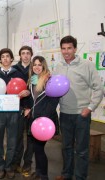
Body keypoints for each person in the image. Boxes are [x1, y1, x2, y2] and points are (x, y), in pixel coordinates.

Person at [54, 35, 103, 180]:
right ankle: (66, 174)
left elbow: (98, 89)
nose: (66, 51)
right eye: (63, 48)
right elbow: (55, 88)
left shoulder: (86, 65)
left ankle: (80, 177)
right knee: (66, 148)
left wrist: (89, 108)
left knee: (81, 150)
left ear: (75, 48)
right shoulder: (59, 66)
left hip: (81, 115)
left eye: (69, 48)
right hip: (64, 113)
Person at [0, 48, 26, 179]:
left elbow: (25, 89)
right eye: (3, 56)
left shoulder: (19, 74)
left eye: (8, 56)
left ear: (12, 59)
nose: (5, 58)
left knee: (12, 141)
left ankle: (9, 167)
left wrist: (27, 94)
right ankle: (0, 167)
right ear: (0, 59)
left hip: (14, 112)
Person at [27, 56, 59, 180]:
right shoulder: (32, 80)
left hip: (44, 121)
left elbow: (54, 101)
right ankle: (39, 172)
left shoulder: (49, 81)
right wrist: (27, 109)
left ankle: (44, 176)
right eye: (34, 65)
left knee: (39, 149)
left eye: (39, 65)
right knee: (36, 147)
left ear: (44, 66)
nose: (37, 67)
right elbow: (32, 101)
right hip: (34, 120)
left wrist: (44, 118)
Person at [12, 46, 34, 174]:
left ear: (31, 55)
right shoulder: (14, 69)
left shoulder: (35, 68)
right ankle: (15, 162)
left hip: (32, 107)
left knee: (31, 137)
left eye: (28, 53)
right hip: (18, 107)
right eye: (23, 53)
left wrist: (29, 107)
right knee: (18, 136)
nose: (25, 55)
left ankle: (27, 163)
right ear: (20, 55)